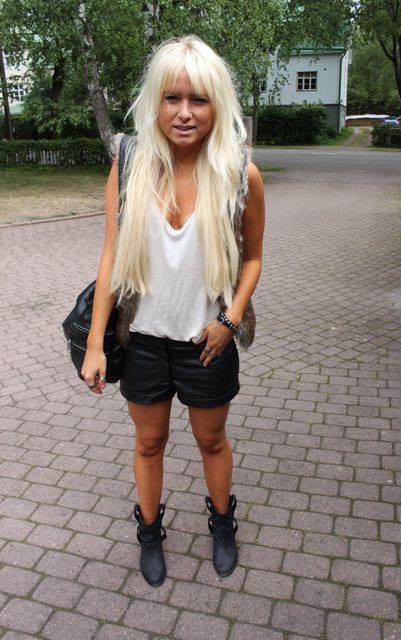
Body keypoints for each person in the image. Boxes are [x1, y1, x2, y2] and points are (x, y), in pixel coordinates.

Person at [81, 35, 265, 588]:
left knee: (211, 440)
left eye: (199, 99)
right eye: (172, 97)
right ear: (155, 101)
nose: (184, 112)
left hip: (207, 341)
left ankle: (223, 522)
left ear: (217, 105)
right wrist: (94, 344)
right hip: (142, 341)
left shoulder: (240, 174)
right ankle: (149, 532)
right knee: (148, 442)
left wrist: (229, 321)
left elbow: (253, 259)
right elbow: (111, 254)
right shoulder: (131, 165)